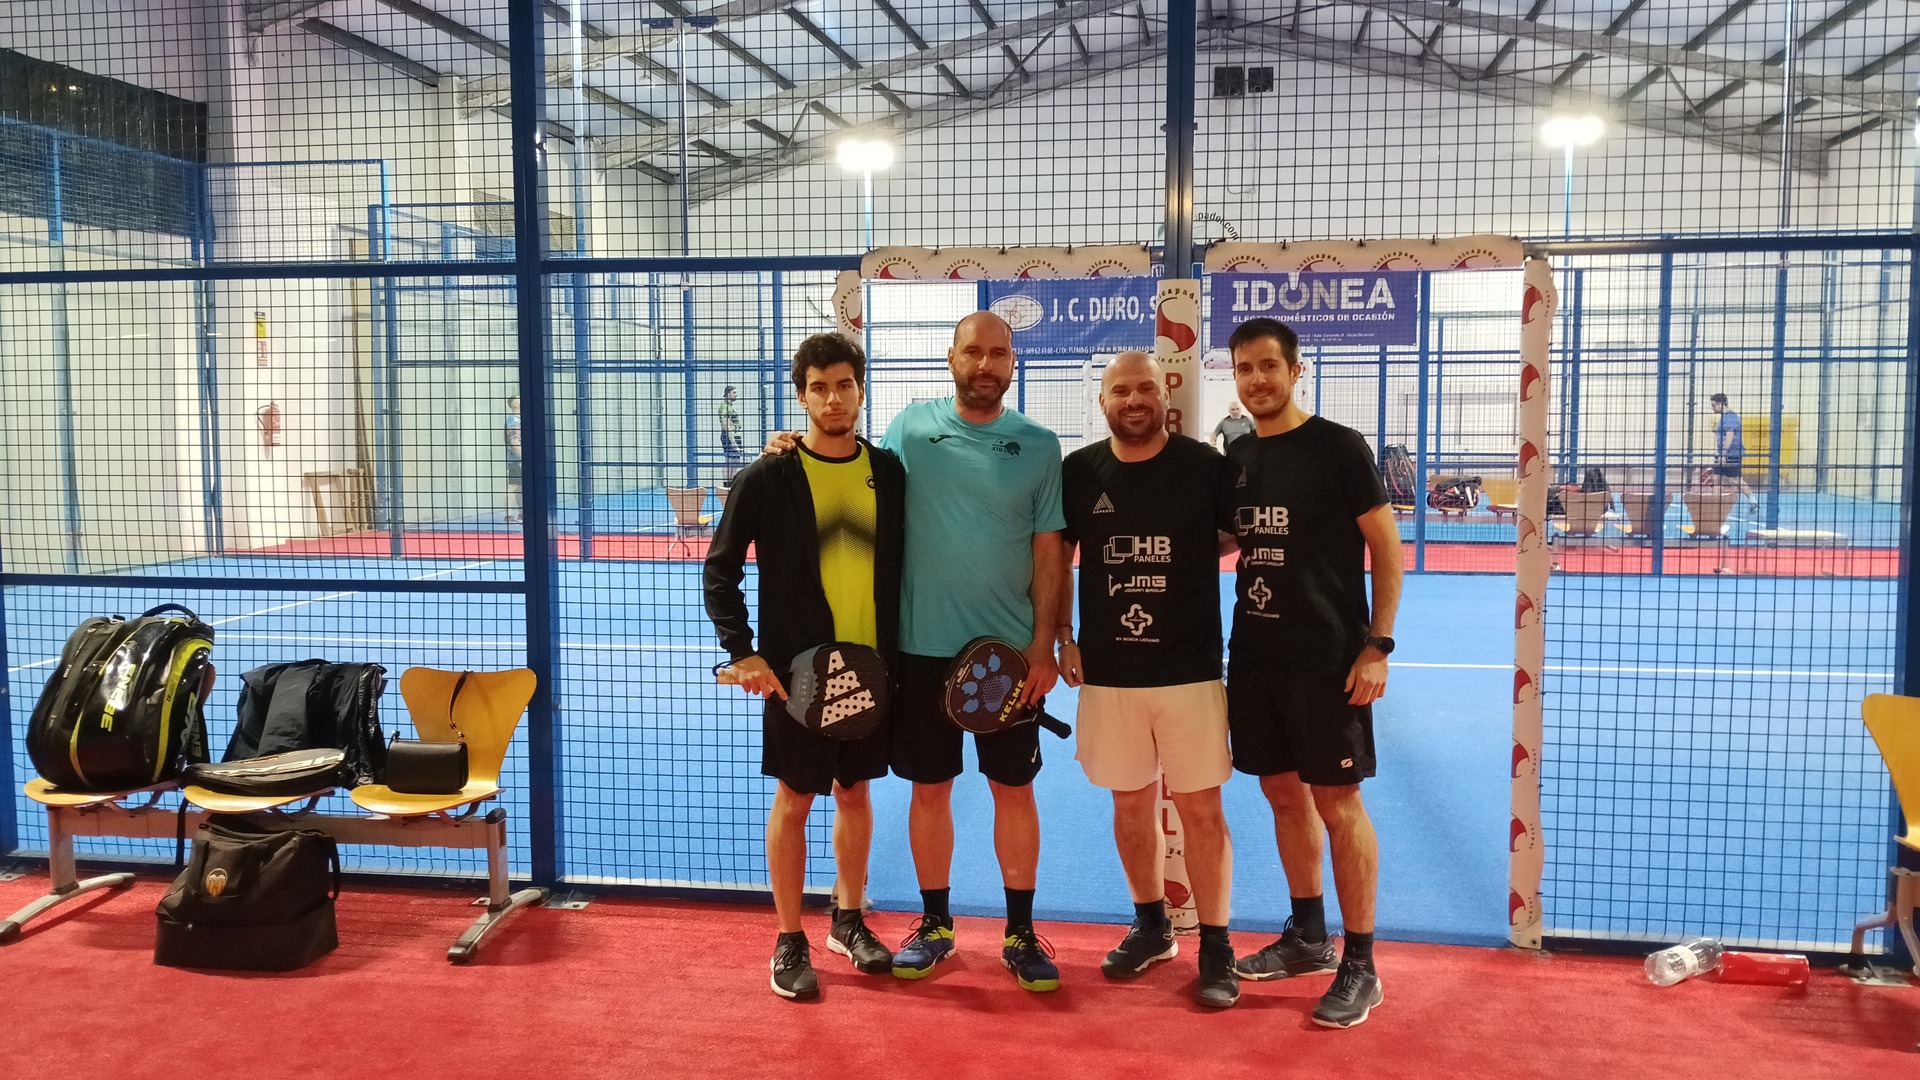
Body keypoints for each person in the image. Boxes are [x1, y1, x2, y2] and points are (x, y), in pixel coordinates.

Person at [703, 334, 906, 1001]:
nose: (833, 398)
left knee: (855, 793)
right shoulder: (770, 476)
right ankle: (789, 938)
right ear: (801, 396)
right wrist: (742, 650)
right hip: (800, 677)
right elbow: (720, 570)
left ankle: (848, 920)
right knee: (794, 800)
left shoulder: (888, 472)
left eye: (844, 385)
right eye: (819, 387)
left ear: (860, 391)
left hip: (870, 671)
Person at [1221, 317, 1403, 1029]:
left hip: (1329, 660)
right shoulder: (1239, 455)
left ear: (1295, 371)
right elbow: (1232, 536)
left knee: (1338, 802)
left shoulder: (1339, 447)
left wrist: (1377, 644)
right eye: (1245, 368)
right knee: (1281, 795)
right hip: (1254, 657)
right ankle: (1308, 936)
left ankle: (1361, 962)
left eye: (1269, 366)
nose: (1257, 380)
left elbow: (1385, 545)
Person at [883, 310, 1066, 992]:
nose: (985, 365)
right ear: (951, 358)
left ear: (1013, 362)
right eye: (973, 352)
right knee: (930, 789)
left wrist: (1043, 645)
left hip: (1007, 660)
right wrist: (791, 446)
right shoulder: (909, 429)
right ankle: (935, 925)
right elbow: (853, 478)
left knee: (1013, 791)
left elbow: (1050, 553)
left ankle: (1020, 933)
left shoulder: (1039, 446)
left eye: (998, 353)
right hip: (920, 651)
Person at [1057, 350, 1239, 1008]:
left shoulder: (1204, 466)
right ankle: (1152, 925)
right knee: (1130, 806)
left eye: (1144, 388)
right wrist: (1064, 635)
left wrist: (1188, 552)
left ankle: (1216, 943)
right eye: (1120, 391)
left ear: (1165, 395)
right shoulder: (1079, 471)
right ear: (1102, 400)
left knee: (1202, 811)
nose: (1133, 400)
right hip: (1110, 674)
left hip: (1190, 671)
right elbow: (1059, 555)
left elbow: (1234, 533)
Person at [1701, 393, 1751, 499]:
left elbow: (1729, 436)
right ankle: (1716, 501)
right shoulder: (1724, 418)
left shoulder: (1730, 418)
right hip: (1724, 453)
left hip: (1732, 454)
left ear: (1721, 404)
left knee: (1735, 480)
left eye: (1714, 405)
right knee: (1716, 477)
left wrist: (1723, 454)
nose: (1712, 408)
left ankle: (1753, 501)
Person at [718, 385, 747, 482]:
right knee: (729, 461)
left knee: (735, 461)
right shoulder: (725, 406)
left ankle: (732, 484)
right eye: (734, 392)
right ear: (728, 394)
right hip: (729, 436)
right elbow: (726, 425)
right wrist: (733, 442)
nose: (736, 395)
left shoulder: (730, 406)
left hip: (734, 435)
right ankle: (726, 485)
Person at [503, 394, 523, 524]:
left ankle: (521, 514)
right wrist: (522, 458)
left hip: (519, 457)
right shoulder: (512, 420)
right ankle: (508, 515)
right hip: (516, 458)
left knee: (520, 486)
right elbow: (514, 441)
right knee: (513, 485)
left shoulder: (519, 419)